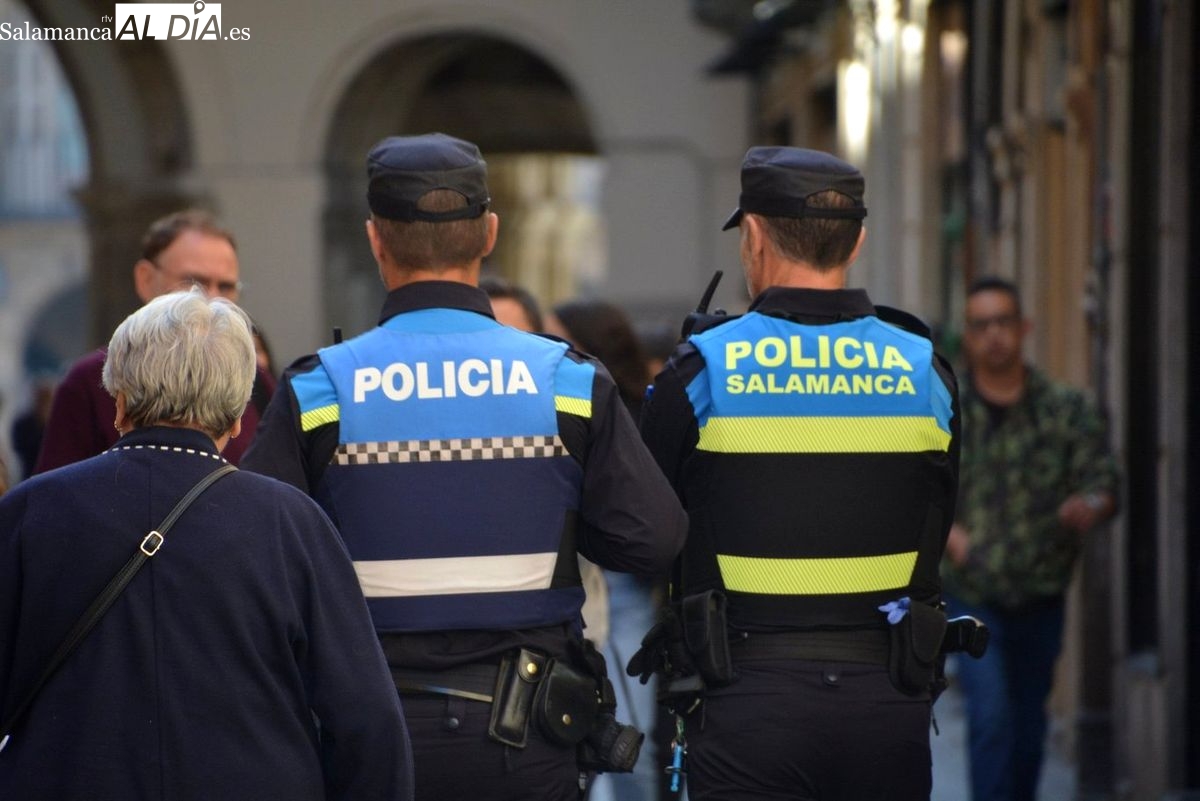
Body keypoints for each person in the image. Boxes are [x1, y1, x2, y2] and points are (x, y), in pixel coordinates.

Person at [242, 132, 687, 801]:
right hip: (531, 738)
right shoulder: (566, 381)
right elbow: (652, 538)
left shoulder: (319, 388)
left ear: (375, 239)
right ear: (490, 234)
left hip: (371, 738)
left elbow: (256, 558)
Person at [632, 146, 960, 801]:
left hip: (744, 705)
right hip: (886, 705)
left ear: (753, 236)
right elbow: (939, 512)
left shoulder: (700, 372)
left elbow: (649, 532)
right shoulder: (925, 371)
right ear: (857, 241)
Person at [0, 289, 413, 801]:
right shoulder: (291, 524)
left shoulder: (31, 513)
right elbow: (368, 721)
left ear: (119, 403)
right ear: (238, 416)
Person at [942, 276, 1118, 801]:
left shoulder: (1064, 408)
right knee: (991, 715)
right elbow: (914, 486)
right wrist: (950, 534)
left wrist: (1091, 504)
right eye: (981, 325)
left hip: (1041, 592)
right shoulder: (946, 411)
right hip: (972, 593)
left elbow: (1104, 481)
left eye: (1003, 322)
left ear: (1024, 328)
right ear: (967, 336)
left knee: (1026, 723)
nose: (994, 335)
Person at [34, 209, 275, 472]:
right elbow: (57, 490)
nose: (212, 299)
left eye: (226, 287)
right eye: (194, 282)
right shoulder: (88, 382)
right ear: (146, 279)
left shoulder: (255, 380)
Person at [547, 299, 664, 801]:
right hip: (592, 582)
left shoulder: (629, 412)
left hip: (617, 584)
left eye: (558, 337)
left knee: (626, 738)